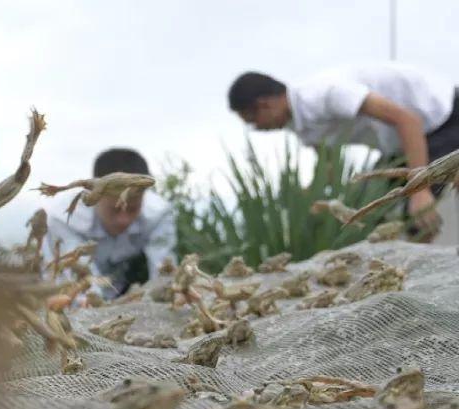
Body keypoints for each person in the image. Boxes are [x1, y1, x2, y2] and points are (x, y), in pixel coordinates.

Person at [228, 63, 459, 239]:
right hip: (397, 143)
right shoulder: (300, 126)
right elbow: (330, 171)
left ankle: (422, 282)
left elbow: (408, 120)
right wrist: (307, 206)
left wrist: (420, 191)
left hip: (442, 117)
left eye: (252, 120)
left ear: (264, 105)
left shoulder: (325, 94)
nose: (257, 129)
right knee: (366, 207)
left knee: (418, 211)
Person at [44, 148, 176, 299]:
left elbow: (163, 269)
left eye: (132, 209)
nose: (123, 220)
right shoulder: (65, 219)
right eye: (115, 210)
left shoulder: (159, 214)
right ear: (96, 196)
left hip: (119, 288)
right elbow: (78, 281)